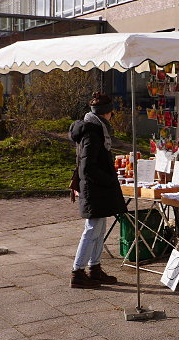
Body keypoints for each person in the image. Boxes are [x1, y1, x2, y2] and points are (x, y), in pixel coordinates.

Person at [68, 92, 127, 289]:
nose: (112, 116)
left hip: (97, 189)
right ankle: (78, 271)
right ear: (106, 113)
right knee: (92, 229)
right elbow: (88, 167)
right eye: (111, 113)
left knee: (99, 229)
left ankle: (94, 268)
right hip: (94, 189)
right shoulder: (93, 132)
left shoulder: (95, 128)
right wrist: (109, 178)